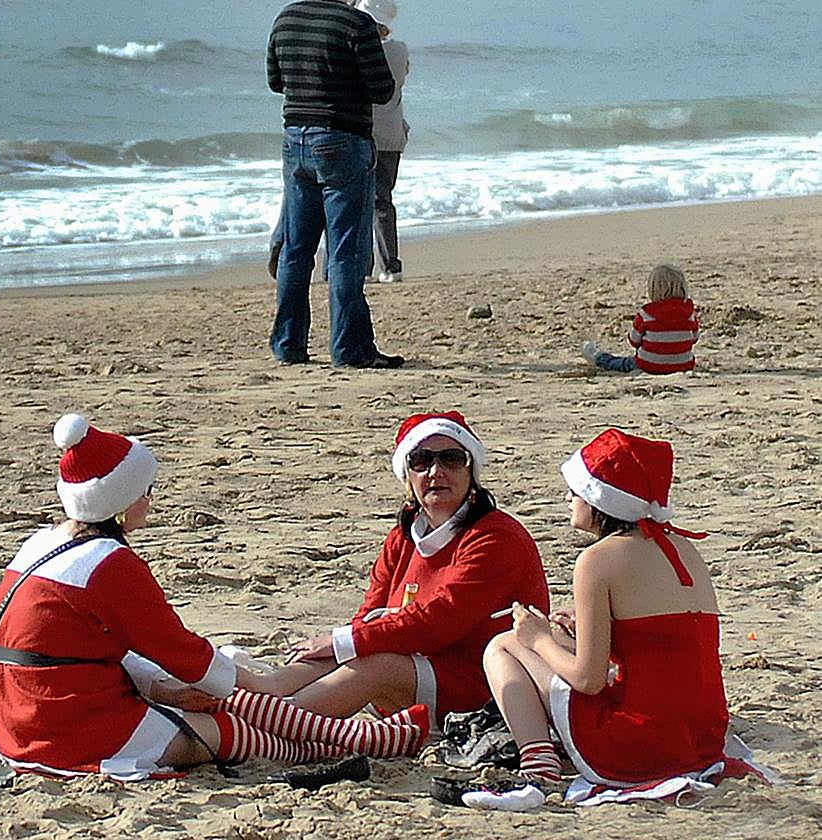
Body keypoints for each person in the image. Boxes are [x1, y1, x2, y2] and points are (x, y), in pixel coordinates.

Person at [0, 413, 430, 780]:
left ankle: (355, 736)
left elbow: (103, 644)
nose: (151, 500)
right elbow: (180, 653)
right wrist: (246, 682)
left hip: (19, 712)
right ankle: (358, 740)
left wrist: (184, 685)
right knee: (223, 727)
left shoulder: (40, 544)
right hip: (65, 725)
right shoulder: (109, 565)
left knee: (216, 697)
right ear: (119, 501)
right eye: (146, 491)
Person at [254, 411, 549, 729]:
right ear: (407, 474)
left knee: (370, 661)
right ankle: (261, 694)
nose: (436, 472)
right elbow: (369, 613)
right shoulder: (403, 535)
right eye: (421, 461)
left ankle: (263, 726)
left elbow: (439, 620)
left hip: (486, 684)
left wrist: (346, 640)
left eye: (451, 459)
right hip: (417, 665)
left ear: (471, 471)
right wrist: (344, 643)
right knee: (332, 653)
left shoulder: (496, 537)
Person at [482, 429, 726, 787]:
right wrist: (586, 628)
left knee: (503, 645)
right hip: (702, 739)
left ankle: (538, 760)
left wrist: (539, 640)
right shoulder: (684, 548)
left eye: (576, 490)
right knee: (555, 642)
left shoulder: (597, 559)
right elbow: (661, 645)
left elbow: (588, 680)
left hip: (636, 746)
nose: (568, 497)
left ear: (600, 499)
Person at [266, 0, 405, 368]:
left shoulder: (287, 16)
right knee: (345, 249)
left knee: (296, 249)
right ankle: (349, 347)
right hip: (343, 137)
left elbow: (275, 81)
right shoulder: (356, 24)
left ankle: (288, 343)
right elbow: (381, 89)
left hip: (295, 135)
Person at [355, 0, 409, 284]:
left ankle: (364, 266)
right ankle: (391, 265)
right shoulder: (399, 51)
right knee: (383, 202)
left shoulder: (361, 51)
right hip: (393, 134)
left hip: (366, 133)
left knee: (361, 203)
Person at [582, 263, 700, 374]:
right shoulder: (689, 313)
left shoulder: (646, 313)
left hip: (648, 365)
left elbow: (634, 340)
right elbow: (694, 338)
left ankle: (596, 356)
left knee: (617, 363)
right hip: (684, 365)